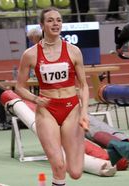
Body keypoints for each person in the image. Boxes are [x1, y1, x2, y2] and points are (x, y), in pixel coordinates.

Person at [15, 7, 90, 186]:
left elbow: (84, 85)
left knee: (76, 172)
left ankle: (76, 147)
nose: (55, 24)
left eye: (58, 20)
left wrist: (84, 112)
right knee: (58, 165)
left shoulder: (73, 51)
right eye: (50, 20)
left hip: (71, 108)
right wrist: (35, 99)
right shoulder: (30, 54)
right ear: (42, 25)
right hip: (46, 110)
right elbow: (19, 87)